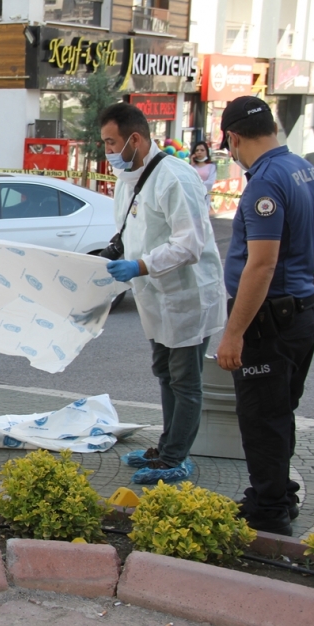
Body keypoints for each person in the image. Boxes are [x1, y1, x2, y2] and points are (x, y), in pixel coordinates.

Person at [214, 97, 314, 536]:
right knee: (281, 412)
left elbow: (261, 264)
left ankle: (267, 513)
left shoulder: (264, 183)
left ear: (234, 137)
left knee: (262, 418)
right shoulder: (305, 171)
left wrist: (234, 333)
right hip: (301, 313)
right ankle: (279, 492)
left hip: (268, 323)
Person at [99, 103, 226, 485]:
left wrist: (139, 266)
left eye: (111, 142)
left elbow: (190, 244)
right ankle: (166, 447)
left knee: (185, 379)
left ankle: (176, 456)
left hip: (186, 297)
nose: (107, 151)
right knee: (164, 372)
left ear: (134, 139)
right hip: (156, 297)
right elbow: (129, 234)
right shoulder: (129, 181)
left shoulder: (175, 178)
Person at [190, 141, 217, 206]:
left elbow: (210, 182)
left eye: (202, 150)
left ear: (206, 152)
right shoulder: (191, 166)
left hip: (205, 197)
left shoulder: (212, 166)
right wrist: (192, 164)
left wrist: (197, 184)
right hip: (192, 197)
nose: (199, 152)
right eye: (197, 150)